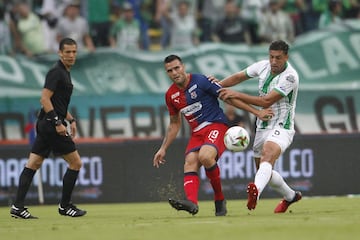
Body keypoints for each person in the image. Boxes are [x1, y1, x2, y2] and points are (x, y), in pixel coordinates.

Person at [152, 54, 271, 216]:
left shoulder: (200, 81)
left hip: (217, 125)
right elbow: (174, 123)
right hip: (197, 133)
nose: (174, 73)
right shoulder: (170, 95)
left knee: (205, 156)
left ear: (183, 67)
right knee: (190, 162)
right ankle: (192, 203)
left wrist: (256, 112)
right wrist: (163, 148)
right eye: (170, 70)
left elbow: (228, 97)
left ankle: (219, 199)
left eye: (176, 68)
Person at [216, 40, 302, 213]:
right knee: (264, 169)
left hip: (282, 125)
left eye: (278, 58)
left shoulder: (290, 76)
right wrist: (218, 85)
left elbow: (267, 100)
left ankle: (255, 193)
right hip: (262, 125)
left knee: (267, 156)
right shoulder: (262, 66)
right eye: (271, 57)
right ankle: (291, 196)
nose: (274, 61)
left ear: (286, 57)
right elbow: (239, 76)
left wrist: (236, 94)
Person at [10, 38, 87, 219]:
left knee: (33, 164)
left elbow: (56, 103)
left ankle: (17, 207)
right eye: (67, 52)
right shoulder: (56, 72)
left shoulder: (64, 73)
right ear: (59, 53)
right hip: (51, 125)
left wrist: (71, 119)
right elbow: (44, 99)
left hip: (46, 124)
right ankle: (65, 206)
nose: (71, 55)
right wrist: (58, 123)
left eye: (74, 52)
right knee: (76, 163)